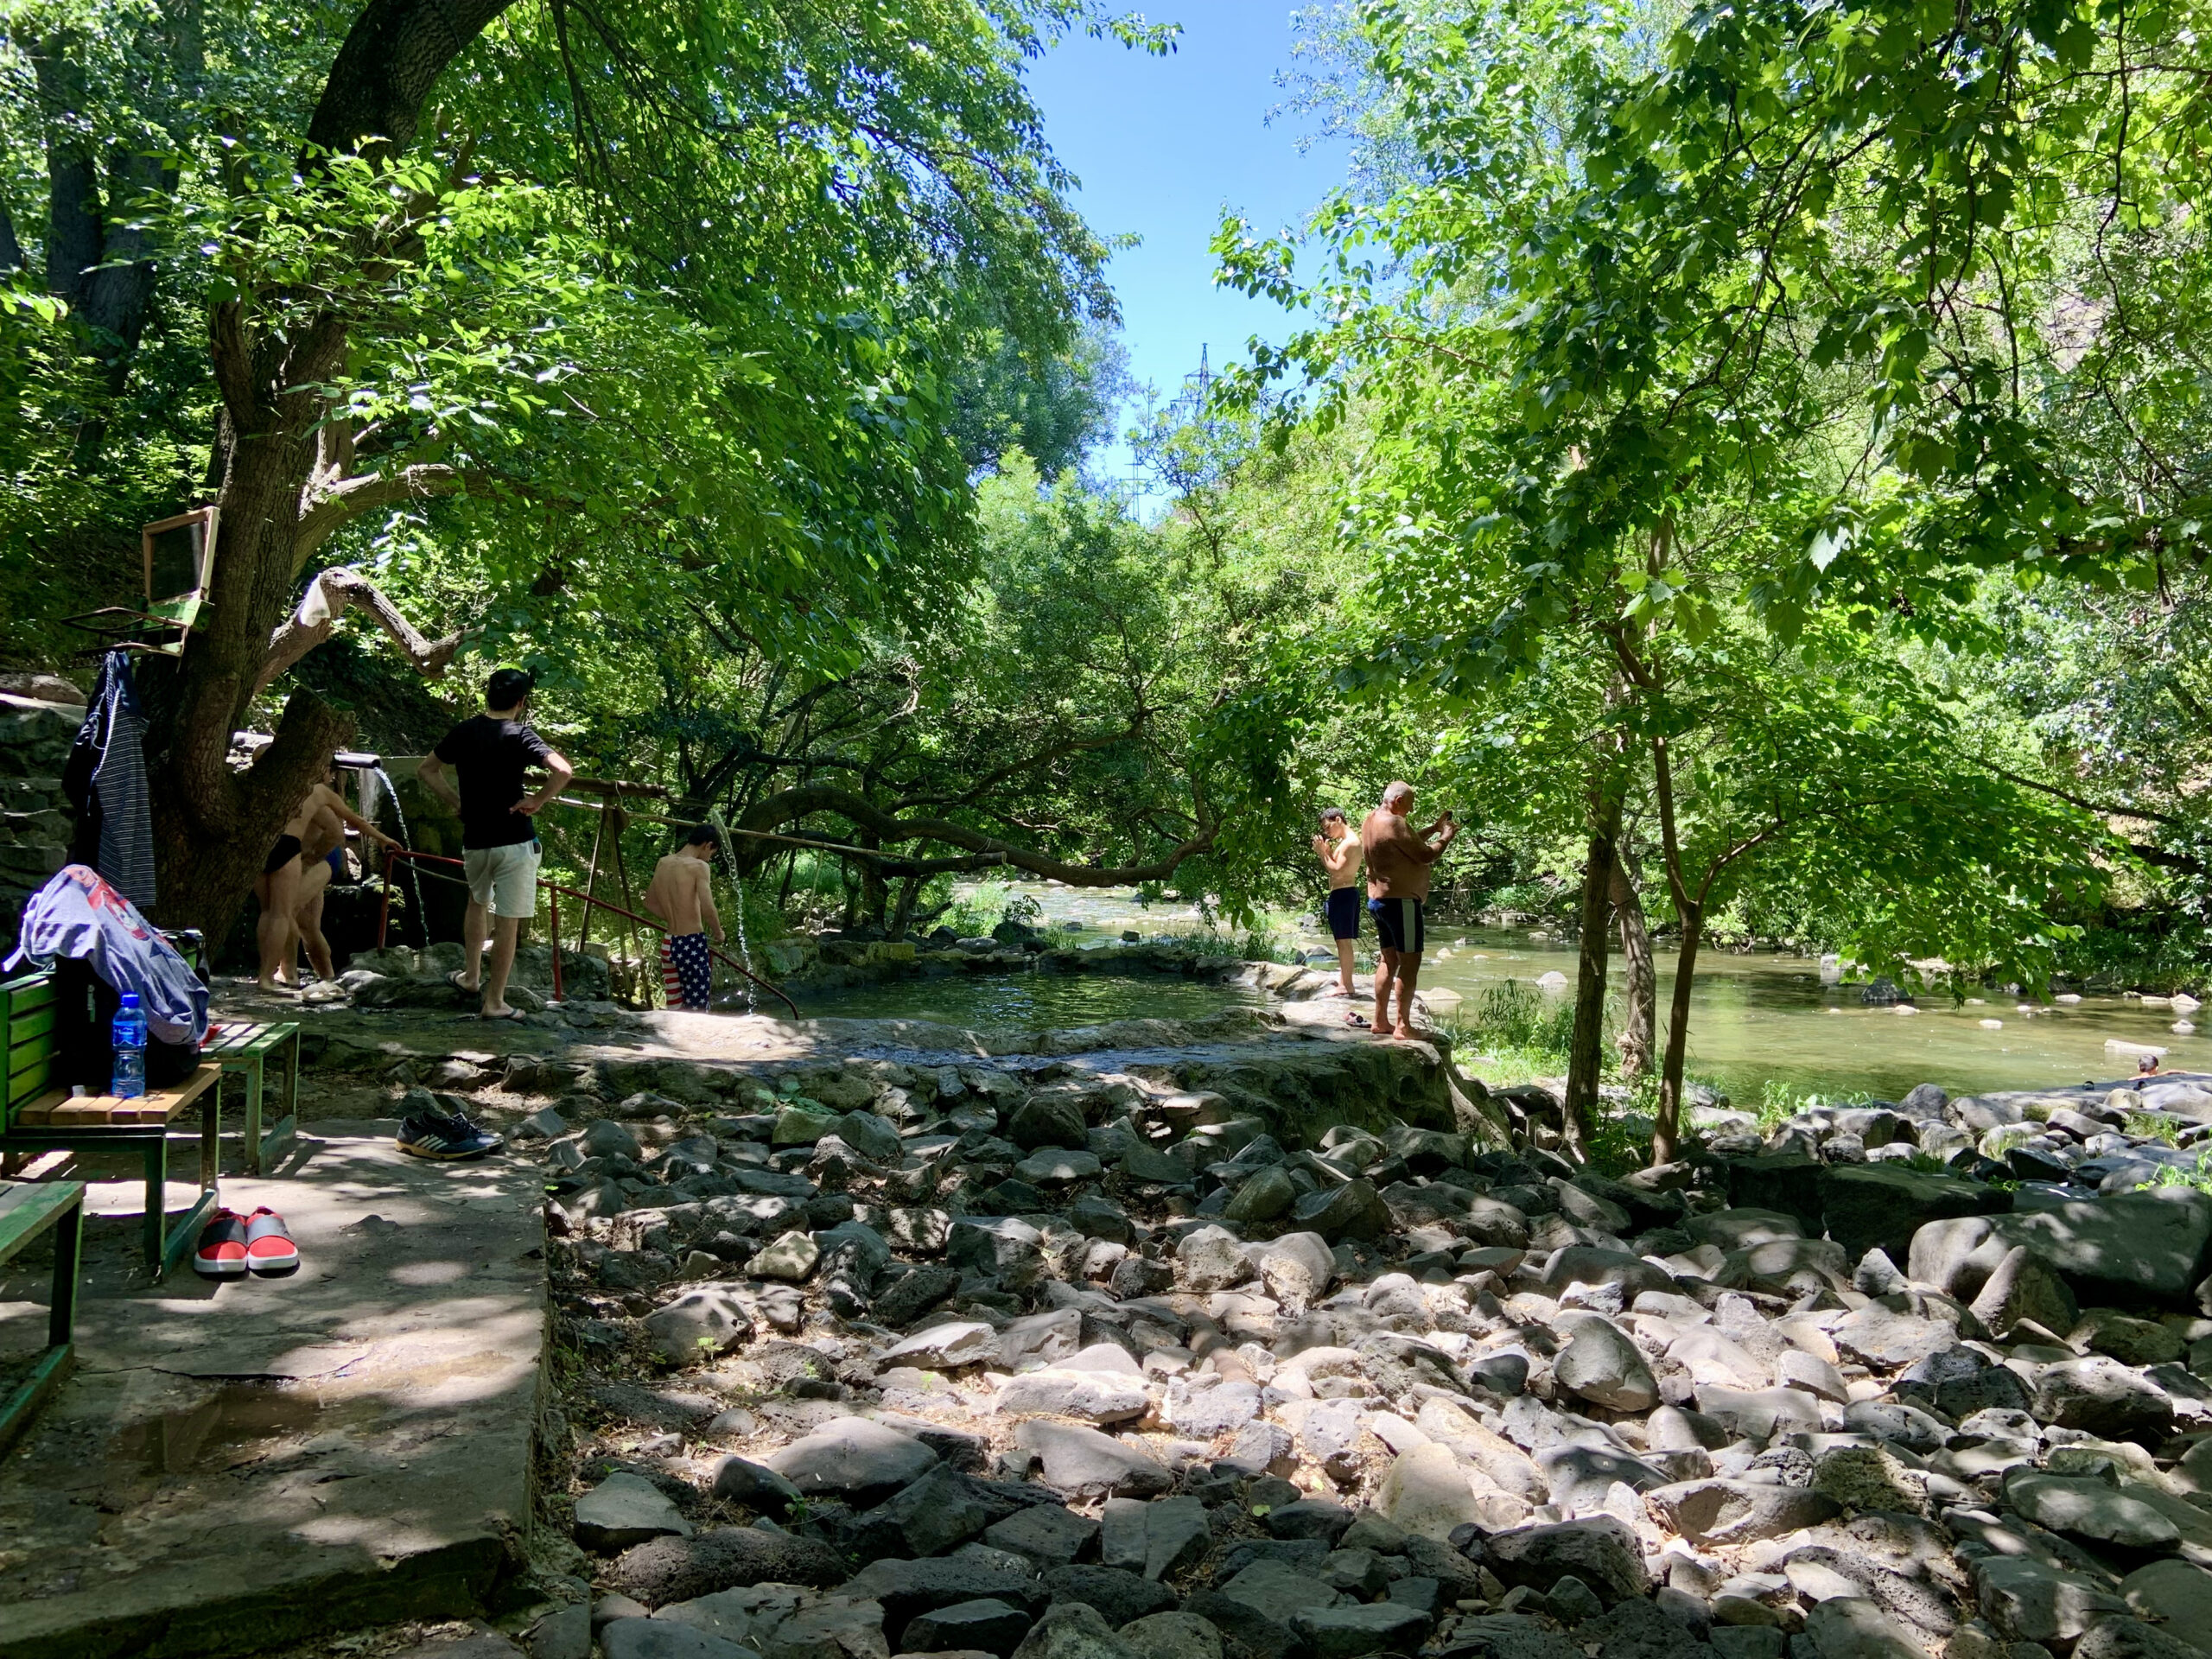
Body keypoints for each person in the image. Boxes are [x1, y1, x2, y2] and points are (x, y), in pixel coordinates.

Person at [417, 668, 574, 1020]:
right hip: (515, 841)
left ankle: (471, 976)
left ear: (487, 696)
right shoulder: (520, 735)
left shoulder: (464, 731)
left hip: (476, 839)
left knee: (477, 902)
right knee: (508, 921)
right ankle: (495, 1001)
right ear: (521, 702)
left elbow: (427, 769)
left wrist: (457, 803)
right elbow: (563, 771)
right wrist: (537, 800)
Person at [256, 768, 395, 994]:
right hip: (290, 848)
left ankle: (286, 974)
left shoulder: (267, 787)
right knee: (281, 914)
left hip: (270, 847)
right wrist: (382, 838)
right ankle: (274, 975)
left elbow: (337, 833)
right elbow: (354, 820)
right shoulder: (316, 791)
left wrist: (312, 858)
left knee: (275, 914)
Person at [1359, 780, 1459, 1039]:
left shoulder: (1372, 820)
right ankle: (1403, 1025)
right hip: (1401, 903)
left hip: (1379, 901)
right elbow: (1425, 855)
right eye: (1410, 806)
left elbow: (1406, 843)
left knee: (1388, 960)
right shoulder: (1394, 822)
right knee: (1410, 963)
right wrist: (1446, 836)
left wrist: (1435, 828)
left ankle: (1380, 1020)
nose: (1410, 812)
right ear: (1398, 800)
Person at [643, 824, 725, 1012]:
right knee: (696, 1009)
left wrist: (675, 917)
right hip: (692, 944)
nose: (709, 858)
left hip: (668, 944)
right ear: (708, 845)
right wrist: (718, 932)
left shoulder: (663, 862)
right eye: (712, 853)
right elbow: (708, 908)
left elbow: (649, 903)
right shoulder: (699, 867)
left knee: (675, 1008)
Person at [1312, 806, 1367, 1021]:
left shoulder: (1351, 842)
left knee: (1343, 942)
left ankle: (1346, 985)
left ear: (1338, 819)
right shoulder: (1347, 842)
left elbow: (1336, 870)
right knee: (1341, 941)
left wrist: (1322, 854)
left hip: (1344, 894)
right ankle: (1346, 982)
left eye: (1328, 827)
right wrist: (1326, 852)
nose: (1327, 832)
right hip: (1342, 894)